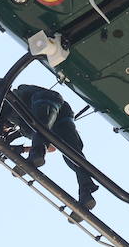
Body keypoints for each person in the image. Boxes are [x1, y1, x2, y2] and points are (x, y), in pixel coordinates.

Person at [8, 83, 98, 215]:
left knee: (38, 127)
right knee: (71, 152)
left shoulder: (4, 104)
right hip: (62, 113)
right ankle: (86, 192)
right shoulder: (19, 126)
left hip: (45, 101)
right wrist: (23, 149)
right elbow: (51, 148)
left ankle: (36, 153)